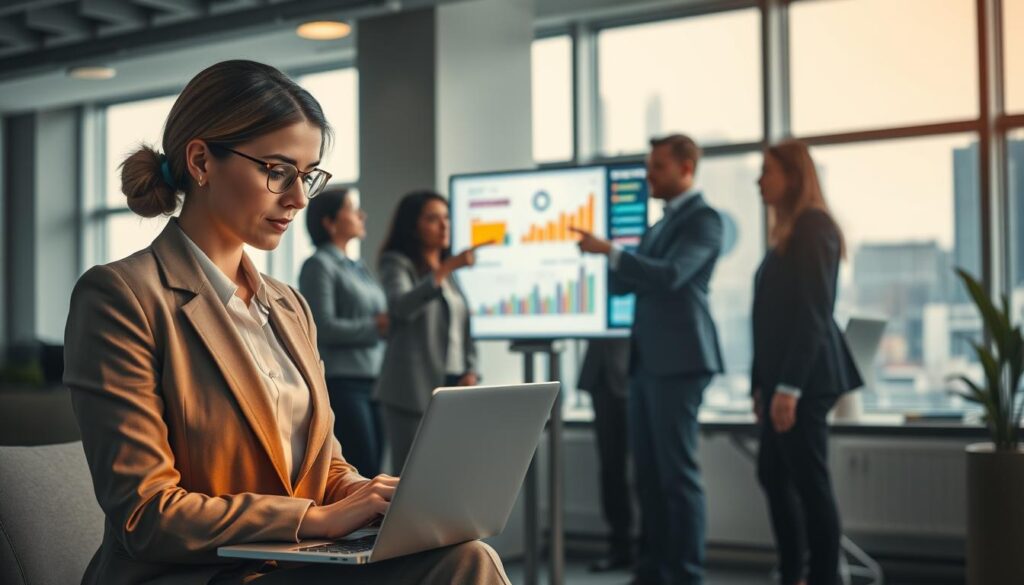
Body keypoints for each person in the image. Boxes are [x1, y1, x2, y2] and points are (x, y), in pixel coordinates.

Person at [63, 60, 510, 585]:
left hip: (294, 562)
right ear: (202, 161)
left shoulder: (289, 306)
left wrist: (370, 496)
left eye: (308, 175)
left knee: (467, 554)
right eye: (278, 171)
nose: (298, 199)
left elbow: (325, 466)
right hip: (199, 575)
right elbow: (146, 515)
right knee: (463, 565)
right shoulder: (121, 297)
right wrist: (314, 519)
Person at [574, 133, 724, 585]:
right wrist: (607, 260)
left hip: (680, 361)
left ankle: (686, 574)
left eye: (658, 167)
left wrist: (612, 252)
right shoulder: (660, 225)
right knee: (649, 475)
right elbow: (628, 282)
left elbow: (672, 275)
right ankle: (653, 571)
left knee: (677, 476)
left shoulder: (704, 220)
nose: (648, 176)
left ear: (686, 168)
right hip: (645, 362)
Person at [751, 140, 862, 585]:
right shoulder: (789, 231)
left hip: (806, 381)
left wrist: (789, 388)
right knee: (774, 473)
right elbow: (770, 319)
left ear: (793, 178)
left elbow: (813, 313)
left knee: (810, 484)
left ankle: (820, 577)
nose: (759, 180)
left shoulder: (815, 227)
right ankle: (794, 573)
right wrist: (761, 385)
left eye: (768, 171)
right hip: (782, 380)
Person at [375, 190, 484, 472]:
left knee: (449, 473)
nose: (444, 226)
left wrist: (471, 368)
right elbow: (401, 307)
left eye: (446, 218)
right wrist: (445, 269)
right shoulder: (396, 262)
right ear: (413, 226)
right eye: (433, 219)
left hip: (454, 385)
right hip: (411, 388)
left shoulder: (448, 272)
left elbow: (463, 327)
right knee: (412, 477)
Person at [299, 187, 387, 477]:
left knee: (375, 468)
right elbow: (322, 327)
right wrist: (376, 327)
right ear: (330, 222)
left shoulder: (357, 267)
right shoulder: (318, 265)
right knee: (362, 469)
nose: (362, 215)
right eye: (351, 208)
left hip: (374, 379)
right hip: (344, 382)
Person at [577, 338, 634, 572]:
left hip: (635, 372)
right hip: (600, 376)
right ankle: (620, 547)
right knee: (611, 470)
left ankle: (651, 552)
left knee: (646, 471)